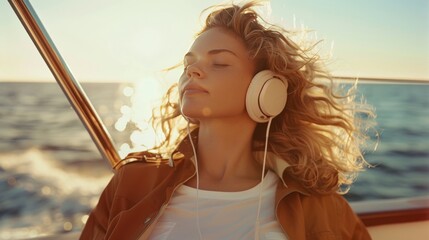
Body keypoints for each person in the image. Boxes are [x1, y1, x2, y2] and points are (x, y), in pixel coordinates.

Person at [81, 1, 375, 239]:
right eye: (189, 63)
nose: (193, 71)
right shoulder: (131, 182)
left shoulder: (318, 205)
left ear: (266, 90)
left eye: (219, 62)